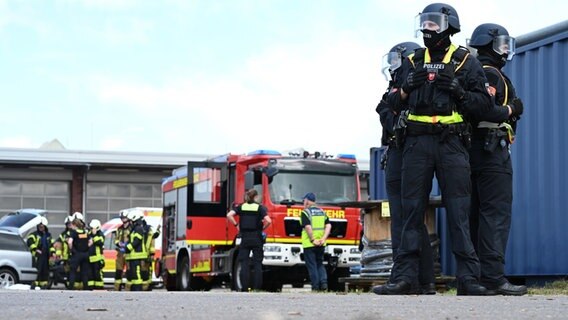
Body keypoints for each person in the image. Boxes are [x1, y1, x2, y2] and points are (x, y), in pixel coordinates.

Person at [376, 3, 492, 295]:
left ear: (449, 27)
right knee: (411, 212)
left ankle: (468, 280)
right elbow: (388, 103)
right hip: (416, 143)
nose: (428, 29)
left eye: (434, 24)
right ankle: (404, 278)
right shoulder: (413, 61)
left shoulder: (466, 62)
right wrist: (404, 89)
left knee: (459, 212)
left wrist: (459, 91)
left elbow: (484, 105)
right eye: (425, 24)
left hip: (452, 143)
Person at [467, 23, 527, 296]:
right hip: (492, 152)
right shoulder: (490, 75)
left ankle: (475, 277)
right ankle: (492, 278)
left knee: (476, 215)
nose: (505, 50)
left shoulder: (473, 72)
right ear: (489, 44)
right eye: (502, 44)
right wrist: (513, 108)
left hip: (472, 152)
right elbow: (487, 112)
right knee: (495, 215)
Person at [373, 41, 436, 295]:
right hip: (401, 153)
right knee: (413, 220)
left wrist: (385, 109)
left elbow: (392, 118)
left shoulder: (411, 89)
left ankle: (403, 277)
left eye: (396, 61)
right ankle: (425, 279)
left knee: (402, 218)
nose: (392, 67)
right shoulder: (398, 88)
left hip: (403, 153)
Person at [227, 188, 272, 292]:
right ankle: (257, 288)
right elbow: (268, 221)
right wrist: (263, 228)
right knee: (257, 263)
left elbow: (229, 215)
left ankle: (244, 287)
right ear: (256, 197)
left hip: (245, 238)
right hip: (257, 237)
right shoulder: (260, 208)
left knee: (244, 263)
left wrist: (236, 225)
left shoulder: (241, 206)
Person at [300, 192, 331, 292]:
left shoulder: (305, 213)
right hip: (321, 243)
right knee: (320, 264)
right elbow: (328, 225)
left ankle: (315, 286)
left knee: (312, 265)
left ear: (307, 201)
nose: (303, 203)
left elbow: (308, 227)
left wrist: (313, 240)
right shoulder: (322, 212)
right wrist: (324, 238)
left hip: (310, 244)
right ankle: (324, 283)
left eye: (304, 200)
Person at [26, 217, 55, 289]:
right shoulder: (34, 234)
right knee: (38, 269)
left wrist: (53, 252)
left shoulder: (48, 235)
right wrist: (36, 249)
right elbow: (29, 241)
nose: (40, 228)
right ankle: (35, 283)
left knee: (45, 270)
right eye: (39, 226)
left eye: (42, 226)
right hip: (38, 255)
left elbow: (51, 245)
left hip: (46, 255)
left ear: (45, 226)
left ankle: (44, 284)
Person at [67, 212, 92, 290]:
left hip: (77, 254)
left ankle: (70, 286)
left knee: (73, 271)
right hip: (85, 254)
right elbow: (91, 242)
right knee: (84, 272)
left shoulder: (74, 233)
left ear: (75, 225)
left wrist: (72, 249)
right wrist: (86, 247)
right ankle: (86, 287)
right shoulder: (85, 232)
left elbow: (69, 242)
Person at [125, 210, 148, 292]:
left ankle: (138, 290)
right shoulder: (134, 229)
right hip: (133, 256)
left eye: (131, 220)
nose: (130, 222)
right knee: (134, 275)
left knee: (137, 275)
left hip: (138, 256)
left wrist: (128, 247)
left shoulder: (138, 229)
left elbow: (137, 241)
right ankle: (135, 290)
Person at [114, 209, 131, 291]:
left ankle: (128, 289)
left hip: (129, 252)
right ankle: (117, 288)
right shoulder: (119, 229)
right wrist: (118, 243)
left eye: (124, 217)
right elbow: (116, 239)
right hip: (120, 252)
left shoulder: (131, 228)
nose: (123, 219)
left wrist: (128, 245)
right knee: (118, 271)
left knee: (129, 271)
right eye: (122, 217)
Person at [53, 215, 73, 287]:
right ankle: (68, 285)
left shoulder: (75, 232)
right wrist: (58, 254)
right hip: (66, 257)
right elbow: (58, 244)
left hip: (74, 256)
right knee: (67, 271)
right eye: (68, 224)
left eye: (71, 223)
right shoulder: (63, 234)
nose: (69, 225)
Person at [88, 219, 105, 290]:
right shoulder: (89, 234)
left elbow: (100, 241)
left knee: (97, 274)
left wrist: (94, 237)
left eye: (92, 228)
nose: (91, 229)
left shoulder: (100, 234)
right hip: (90, 258)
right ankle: (91, 287)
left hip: (97, 259)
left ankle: (99, 288)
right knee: (90, 275)